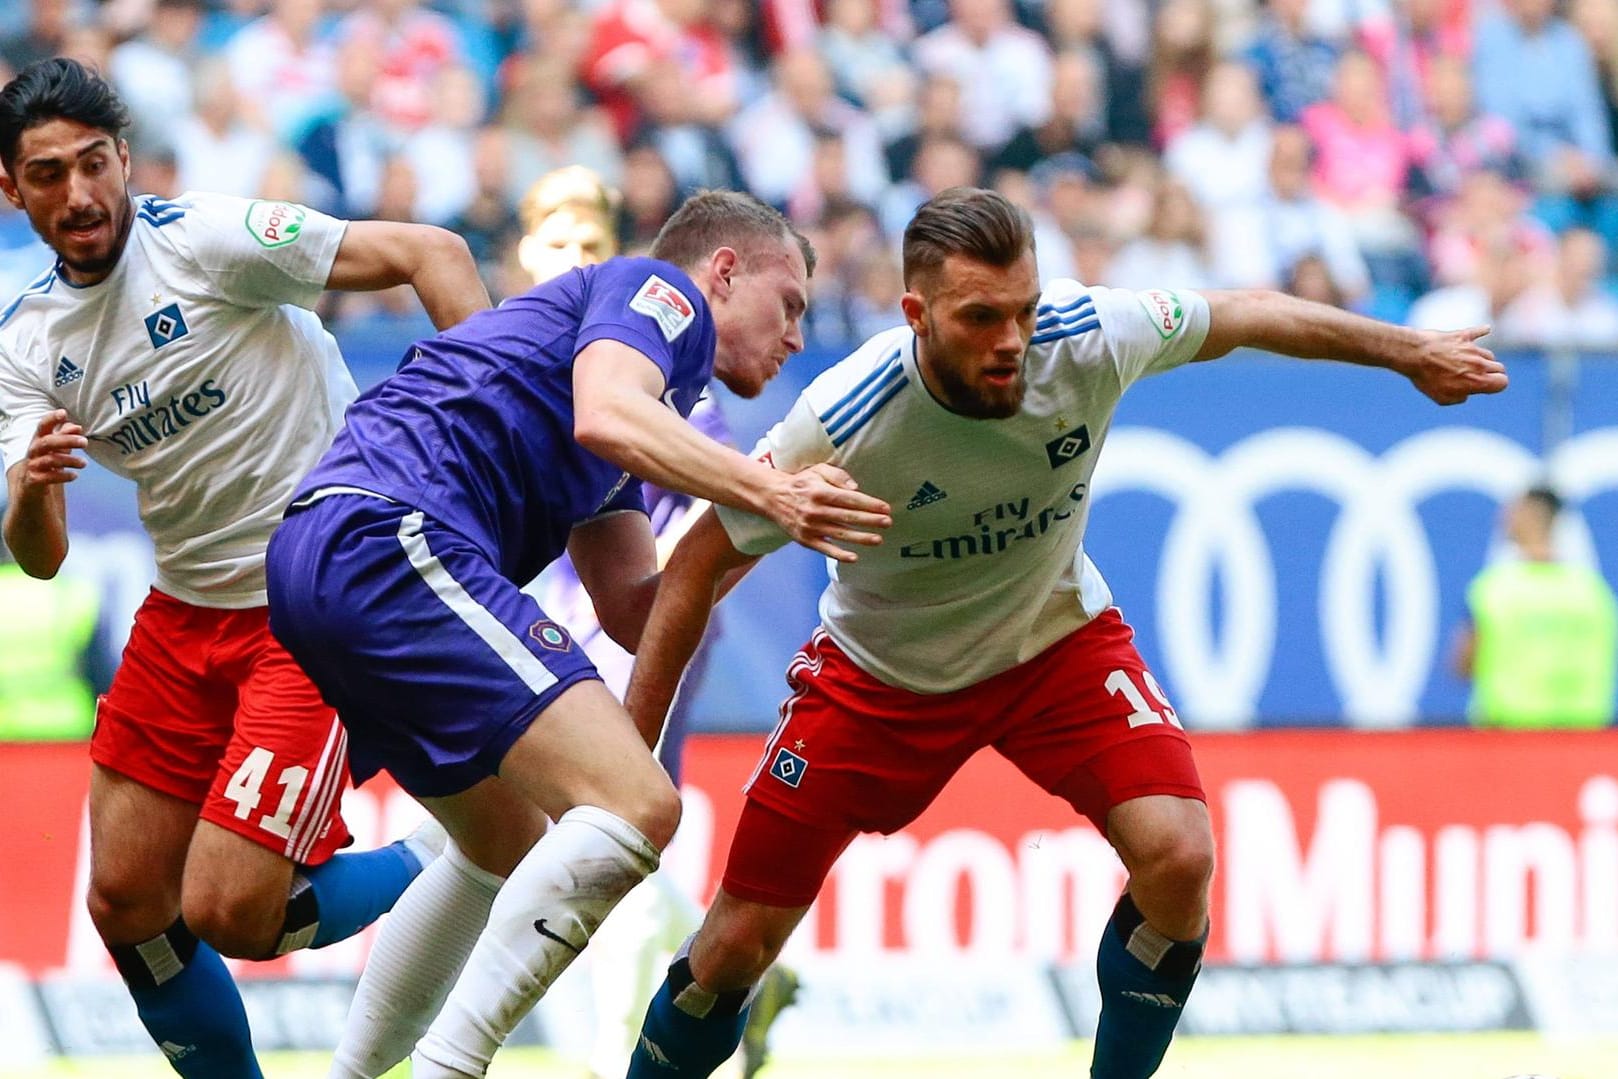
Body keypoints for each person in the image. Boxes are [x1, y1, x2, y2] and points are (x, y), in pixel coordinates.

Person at [618, 187, 1509, 1079]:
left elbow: (1244, 313)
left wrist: (1409, 352)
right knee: (733, 947)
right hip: (878, 680)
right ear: (916, 317)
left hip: (1055, 646)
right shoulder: (844, 416)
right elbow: (698, 564)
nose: (1011, 339)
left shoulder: (1090, 333)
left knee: (1180, 856)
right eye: (979, 318)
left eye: (1024, 309)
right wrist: (635, 757)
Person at [263, 187, 892, 1079]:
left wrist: (760, 520)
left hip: (330, 551)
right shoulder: (659, 296)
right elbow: (606, 411)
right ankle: (451, 1066)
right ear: (722, 272)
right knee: (639, 804)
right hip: (388, 535)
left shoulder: (627, 425)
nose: (797, 333)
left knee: (500, 842)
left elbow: (639, 607)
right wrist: (767, 488)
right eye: (787, 304)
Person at [0, 58, 489, 1078]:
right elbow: (37, 561)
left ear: (127, 160)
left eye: (95, 163)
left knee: (232, 910)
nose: (79, 194)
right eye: (48, 174)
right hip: (183, 614)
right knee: (128, 903)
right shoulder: (26, 342)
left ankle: (456, 858)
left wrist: (497, 428)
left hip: (311, 600)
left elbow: (430, 250)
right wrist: (36, 486)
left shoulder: (210, 243)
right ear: (12, 190)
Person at [1453, 485, 1618, 728]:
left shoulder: (1494, 590)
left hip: (1510, 736)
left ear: (1528, 515)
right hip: (1585, 737)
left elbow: (1463, 665)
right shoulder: (1594, 593)